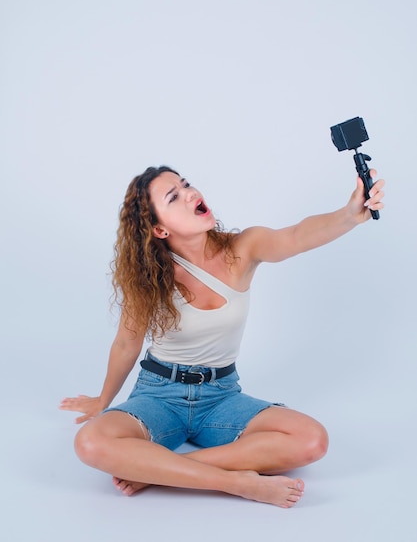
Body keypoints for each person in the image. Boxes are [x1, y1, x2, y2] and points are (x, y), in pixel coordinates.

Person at [60, 165, 385, 508]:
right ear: (158, 228)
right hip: (159, 396)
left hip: (221, 396)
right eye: (174, 196)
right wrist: (102, 400)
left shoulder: (243, 248)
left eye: (186, 185)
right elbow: (127, 344)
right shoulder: (149, 278)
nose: (190, 193)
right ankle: (234, 483)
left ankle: (159, 471)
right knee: (90, 443)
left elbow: (296, 236)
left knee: (312, 440)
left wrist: (349, 214)